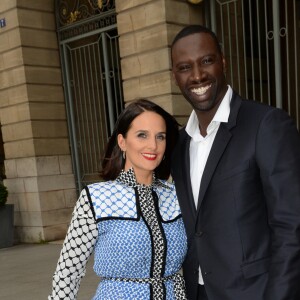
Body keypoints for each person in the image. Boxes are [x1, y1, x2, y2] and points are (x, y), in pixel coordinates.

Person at [170, 24, 300, 300]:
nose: (197, 75)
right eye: (184, 67)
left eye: (206, 61)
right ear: (175, 76)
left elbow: (292, 226)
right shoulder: (179, 145)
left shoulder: (265, 125)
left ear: (223, 62)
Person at [48, 98, 188, 300]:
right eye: (142, 135)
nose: (153, 145)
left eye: (160, 137)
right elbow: (68, 273)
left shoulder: (175, 195)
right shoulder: (96, 198)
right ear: (122, 141)